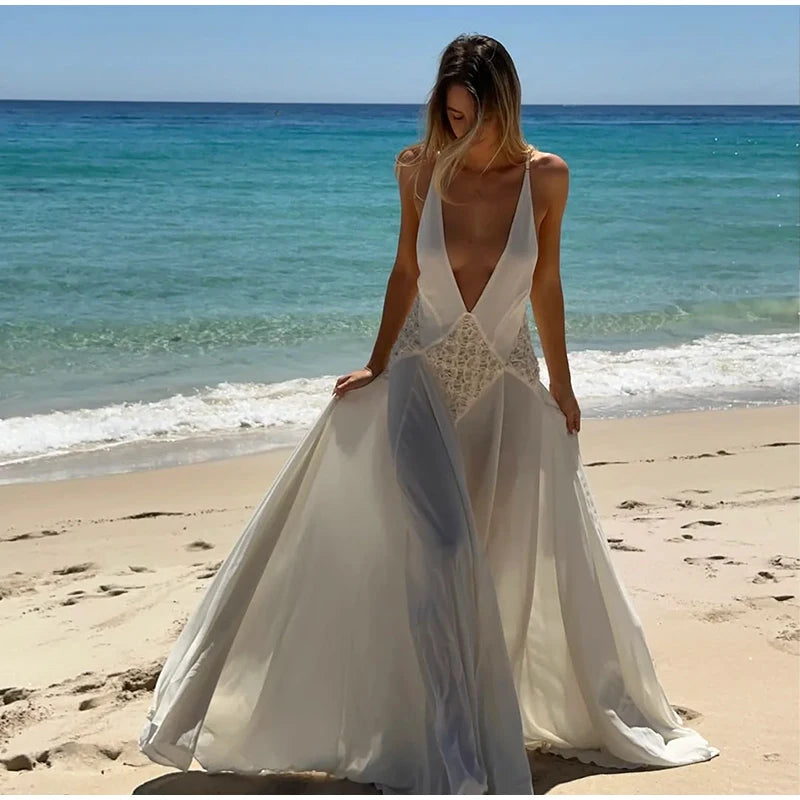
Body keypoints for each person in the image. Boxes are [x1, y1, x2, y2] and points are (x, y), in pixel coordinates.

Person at [138, 33, 720, 795]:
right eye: (448, 115)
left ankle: (466, 715)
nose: (457, 132)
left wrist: (566, 386)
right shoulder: (417, 170)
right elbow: (407, 268)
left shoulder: (547, 178)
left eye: (471, 116)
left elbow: (546, 286)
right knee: (442, 551)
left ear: (502, 107)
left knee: (491, 559)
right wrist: (378, 362)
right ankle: (449, 746)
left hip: (507, 386)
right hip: (420, 379)